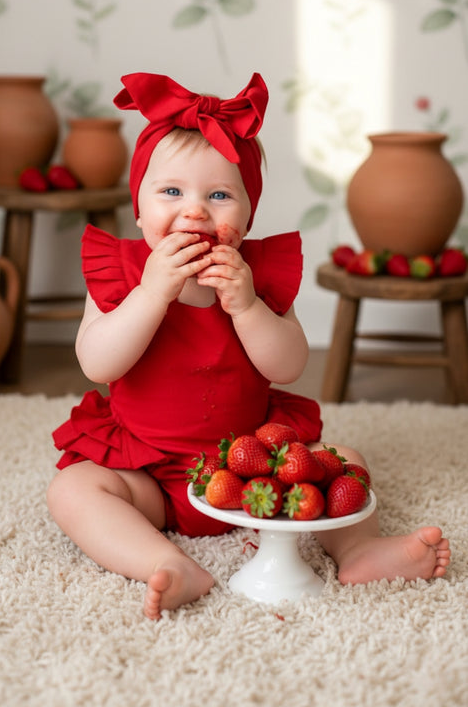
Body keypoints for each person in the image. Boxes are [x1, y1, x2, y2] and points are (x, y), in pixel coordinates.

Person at [47, 72, 451, 620]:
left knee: (346, 464)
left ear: (247, 214)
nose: (194, 212)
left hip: (256, 473)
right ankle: (164, 562)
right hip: (149, 478)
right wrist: (150, 295)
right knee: (72, 490)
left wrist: (247, 308)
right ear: (138, 208)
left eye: (218, 195)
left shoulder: (253, 277)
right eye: (171, 192)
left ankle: (358, 552)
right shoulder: (120, 275)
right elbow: (98, 362)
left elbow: (288, 366)